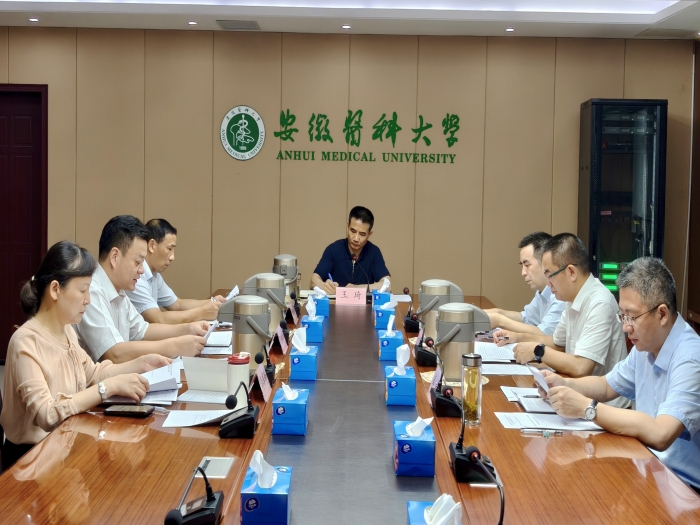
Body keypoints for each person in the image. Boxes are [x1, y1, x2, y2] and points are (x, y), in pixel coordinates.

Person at [0, 241, 170, 469]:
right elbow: (47, 415)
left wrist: (140, 364)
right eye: (82, 290)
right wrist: (107, 388)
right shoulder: (26, 341)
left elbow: (92, 373)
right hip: (30, 461)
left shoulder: (66, 330)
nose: (88, 299)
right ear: (55, 290)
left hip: (63, 445)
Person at [542, 257, 700, 491]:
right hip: (649, 468)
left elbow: (661, 433)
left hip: (684, 488)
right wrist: (564, 384)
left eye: (631, 317)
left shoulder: (691, 357)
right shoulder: (645, 345)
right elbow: (607, 386)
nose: (626, 327)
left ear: (662, 314)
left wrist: (587, 408)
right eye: (622, 316)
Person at [494, 233, 629, 408]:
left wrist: (537, 351)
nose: (548, 283)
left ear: (571, 272)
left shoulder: (599, 302)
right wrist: (518, 337)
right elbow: (557, 343)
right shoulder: (572, 297)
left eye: (550, 275)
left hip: (605, 408)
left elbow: (582, 367)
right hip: (577, 395)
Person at [74, 215, 208, 363]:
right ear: (115, 257)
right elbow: (114, 354)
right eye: (138, 262)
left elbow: (143, 330)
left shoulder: (119, 290)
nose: (142, 270)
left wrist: (188, 329)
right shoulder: (92, 291)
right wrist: (174, 346)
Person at [125, 219, 224, 324]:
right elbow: (158, 319)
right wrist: (201, 312)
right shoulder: (136, 276)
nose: (172, 257)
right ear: (152, 246)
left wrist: (213, 302)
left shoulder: (155, 274)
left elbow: (177, 304)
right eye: (169, 249)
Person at [484, 231, 565, 336]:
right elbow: (526, 318)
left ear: (546, 261)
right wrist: (497, 312)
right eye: (522, 265)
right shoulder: (543, 291)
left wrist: (500, 320)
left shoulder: (561, 294)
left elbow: (544, 334)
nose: (523, 273)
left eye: (527, 265)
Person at [311, 206, 390, 294]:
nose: (356, 238)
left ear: (369, 234)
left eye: (362, 234)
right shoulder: (333, 250)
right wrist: (325, 286)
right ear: (347, 227)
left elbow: (387, 285)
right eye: (353, 231)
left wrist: (360, 288)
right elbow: (314, 280)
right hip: (336, 301)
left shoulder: (374, 252)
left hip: (363, 302)